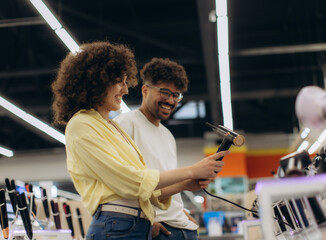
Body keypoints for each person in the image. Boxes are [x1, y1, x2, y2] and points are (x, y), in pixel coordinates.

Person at [51, 41, 228, 240]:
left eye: (176, 95)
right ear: (97, 81)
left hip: (133, 223)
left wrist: (184, 185)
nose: (126, 90)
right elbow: (131, 181)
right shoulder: (82, 124)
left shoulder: (112, 127)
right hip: (117, 223)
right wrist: (191, 171)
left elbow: (143, 189)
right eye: (120, 81)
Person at [113, 58, 201, 239]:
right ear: (145, 90)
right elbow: (120, 181)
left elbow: (164, 182)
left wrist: (180, 211)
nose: (171, 100)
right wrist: (146, 221)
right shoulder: (125, 124)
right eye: (165, 92)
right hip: (156, 229)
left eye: (176, 95)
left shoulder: (167, 135)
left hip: (181, 226)